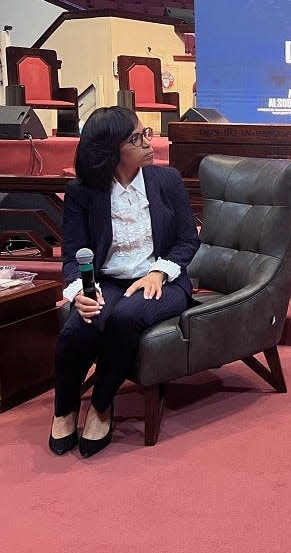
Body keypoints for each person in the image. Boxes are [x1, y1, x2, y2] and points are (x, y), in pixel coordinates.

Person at [49, 106, 199, 458]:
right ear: (110, 151)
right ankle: (64, 408)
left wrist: (159, 272)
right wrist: (79, 293)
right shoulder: (83, 192)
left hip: (164, 278)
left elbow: (187, 240)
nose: (149, 142)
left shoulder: (168, 180)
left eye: (145, 133)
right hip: (108, 280)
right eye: (137, 138)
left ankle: (101, 405)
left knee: (127, 317)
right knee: (79, 328)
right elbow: (73, 255)